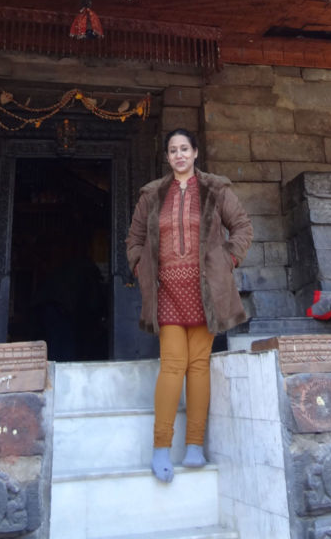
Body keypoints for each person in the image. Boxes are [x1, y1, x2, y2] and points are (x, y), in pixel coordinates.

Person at [126, 128, 252, 483]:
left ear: (195, 153)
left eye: (184, 149)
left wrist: (227, 261)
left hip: (205, 291)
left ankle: (195, 445)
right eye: (173, 150)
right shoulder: (152, 194)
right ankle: (161, 447)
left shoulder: (216, 189)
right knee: (172, 366)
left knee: (198, 366)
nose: (179, 155)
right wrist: (140, 267)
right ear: (167, 157)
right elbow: (134, 239)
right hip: (167, 290)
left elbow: (242, 227)